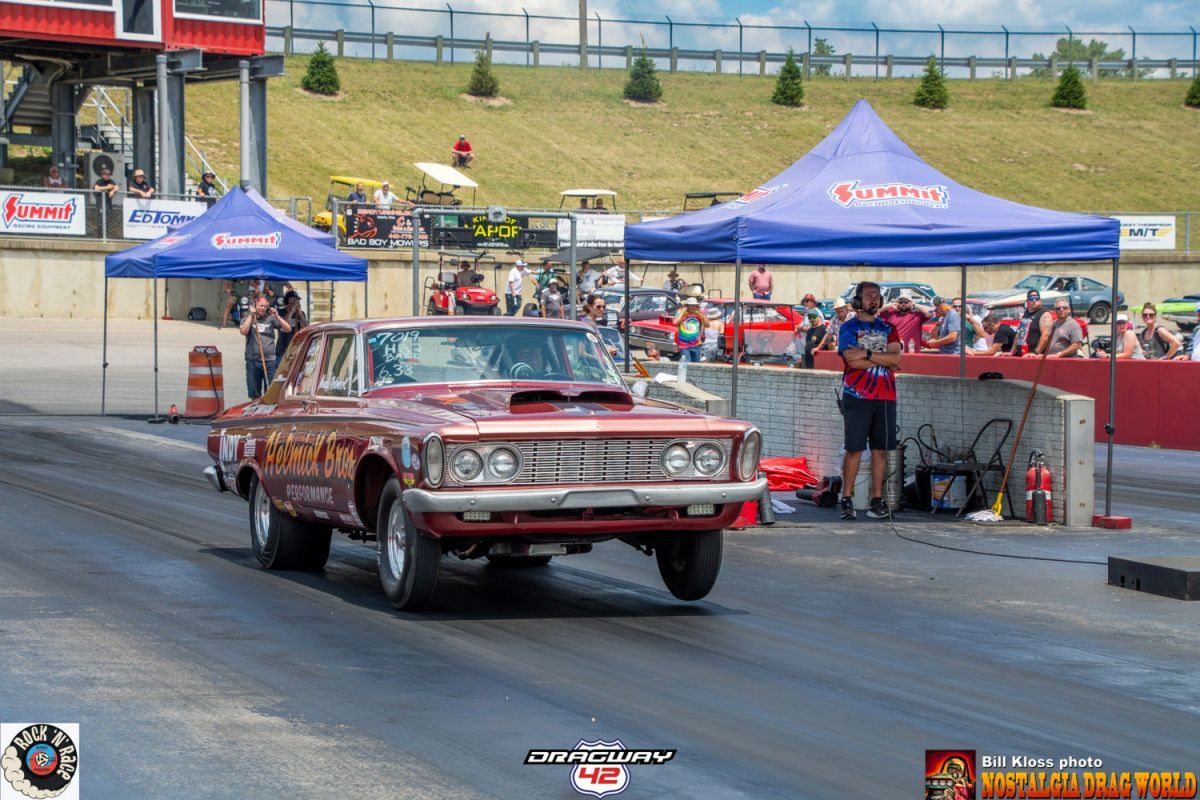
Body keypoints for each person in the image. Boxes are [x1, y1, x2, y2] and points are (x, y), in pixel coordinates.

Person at [838, 281, 902, 521]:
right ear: (857, 300)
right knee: (854, 448)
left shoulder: (888, 327)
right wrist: (882, 358)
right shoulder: (849, 328)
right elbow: (851, 362)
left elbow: (896, 360)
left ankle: (877, 498)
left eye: (877, 296)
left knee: (880, 449)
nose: (874, 300)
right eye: (869, 296)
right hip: (857, 396)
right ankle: (846, 497)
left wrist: (866, 354)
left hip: (885, 396)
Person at [240, 295, 291, 399]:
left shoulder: (270, 319)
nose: (263, 308)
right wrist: (251, 315)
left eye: (265, 306)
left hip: (270, 361)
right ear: (254, 305)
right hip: (253, 360)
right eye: (260, 306)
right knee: (254, 393)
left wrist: (277, 316)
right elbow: (243, 331)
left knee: (270, 392)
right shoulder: (247, 318)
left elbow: (288, 329)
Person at [1012, 289, 1052, 357]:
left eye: (1036, 298)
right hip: (1021, 353)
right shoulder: (1026, 313)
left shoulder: (1044, 314)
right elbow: (1020, 333)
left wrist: (1035, 353)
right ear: (1027, 301)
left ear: (1040, 300)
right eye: (1031, 298)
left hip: (1033, 356)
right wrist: (1012, 351)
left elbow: (1045, 336)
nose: (1034, 300)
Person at [673, 297, 707, 363]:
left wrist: (700, 334)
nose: (693, 307)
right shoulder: (680, 313)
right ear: (687, 305)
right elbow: (675, 322)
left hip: (696, 344)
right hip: (684, 344)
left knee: (696, 364)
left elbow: (702, 324)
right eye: (691, 305)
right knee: (687, 363)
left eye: (694, 305)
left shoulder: (699, 313)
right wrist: (683, 311)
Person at [276, 290, 307, 356]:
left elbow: (305, 328)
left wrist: (300, 314)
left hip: (296, 349)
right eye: (293, 300)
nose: (296, 302)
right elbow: (284, 323)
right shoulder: (280, 312)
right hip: (282, 349)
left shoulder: (301, 313)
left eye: (297, 300)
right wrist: (291, 311)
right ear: (287, 301)